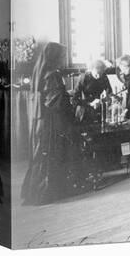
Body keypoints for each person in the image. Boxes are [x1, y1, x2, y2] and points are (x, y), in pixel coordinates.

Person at [21, 42, 79, 205]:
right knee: (48, 155)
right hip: (51, 123)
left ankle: (34, 192)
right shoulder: (52, 74)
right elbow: (57, 102)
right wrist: (68, 98)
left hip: (40, 121)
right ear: (55, 57)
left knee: (40, 156)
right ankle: (44, 193)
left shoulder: (40, 72)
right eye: (62, 56)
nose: (63, 59)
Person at [71, 59, 112, 124]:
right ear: (91, 70)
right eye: (96, 74)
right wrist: (90, 104)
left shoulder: (104, 77)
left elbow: (110, 93)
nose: (98, 76)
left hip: (99, 108)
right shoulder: (83, 78)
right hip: (85, 110)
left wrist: (106, 99)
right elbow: (74, 100)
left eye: (101, 73)